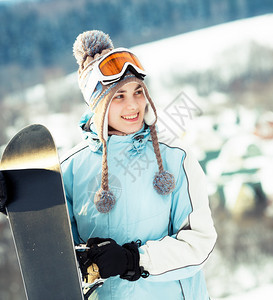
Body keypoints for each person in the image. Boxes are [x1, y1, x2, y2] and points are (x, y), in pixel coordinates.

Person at [60, 30, 217, 299]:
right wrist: (23, 202)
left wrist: (133, 260)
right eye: (118, 96)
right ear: (97, 104)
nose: (133, 105)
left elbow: (198, 243)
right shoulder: (71, 169)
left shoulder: (175, 158)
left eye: (138, 91)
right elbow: (59, 255)